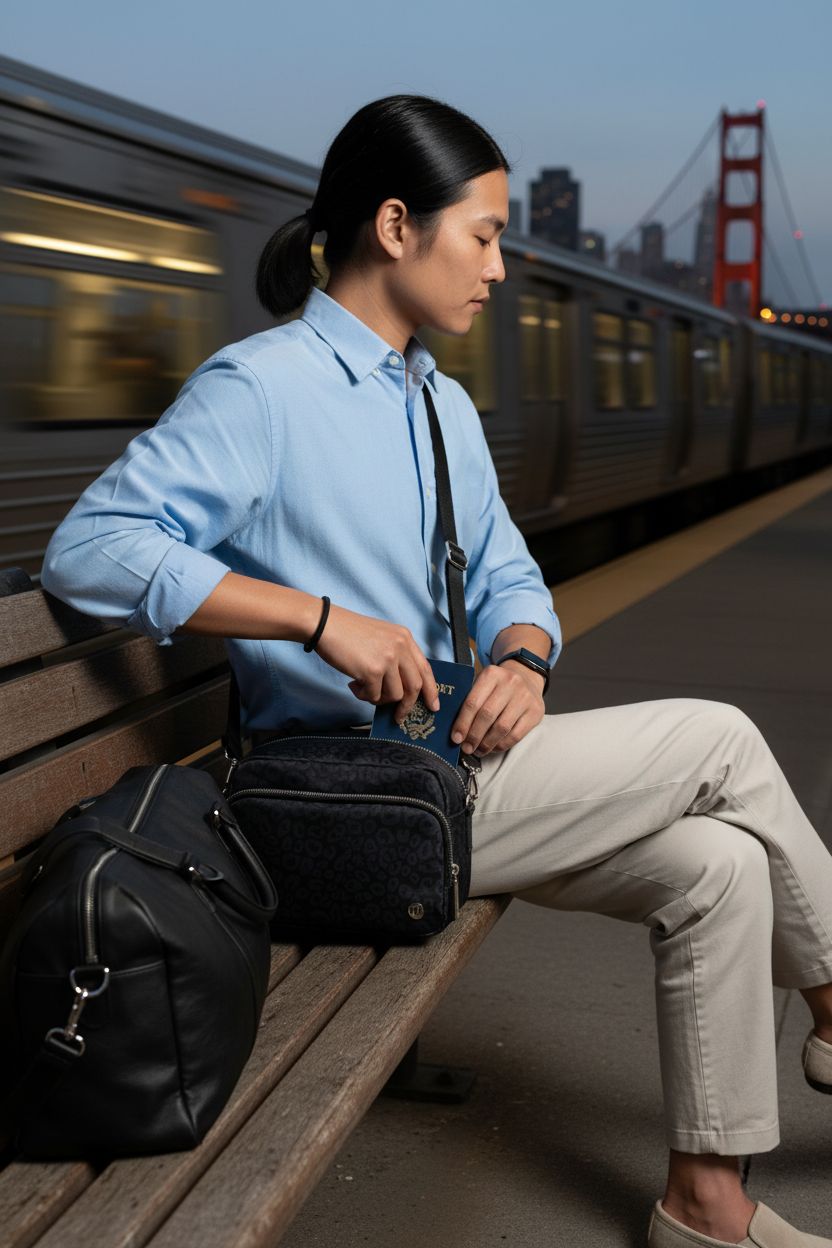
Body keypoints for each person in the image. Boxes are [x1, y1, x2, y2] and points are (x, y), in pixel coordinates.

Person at [40, 95, 832, 1248]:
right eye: (487, 236)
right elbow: (92, 546)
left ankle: (702, 1206)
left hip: (438, 767)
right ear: (398, 226)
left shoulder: (437, 402)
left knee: (716, 867)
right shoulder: (261, 389)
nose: (502, 270)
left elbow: (513, 578)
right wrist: (317, 621)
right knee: (719, 741)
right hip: (336, 804)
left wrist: (522, 659)